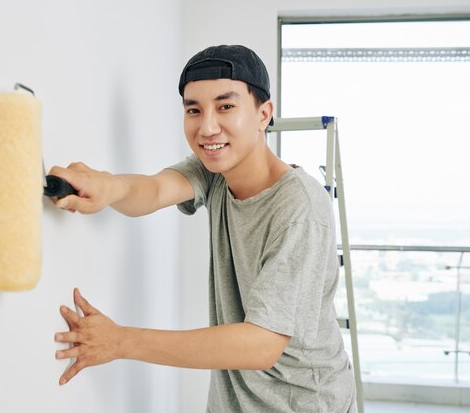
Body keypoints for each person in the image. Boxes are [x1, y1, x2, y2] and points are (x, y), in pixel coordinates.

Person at [51, 44, 357, 413]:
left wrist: (119, 341)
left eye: (225, 106)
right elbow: (155, 189)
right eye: (194, 110)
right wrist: (105, 187)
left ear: (264, 114)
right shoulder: (216, 172)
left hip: (303, 404)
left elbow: (262, 344)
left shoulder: (300, 206)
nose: (207, 126)